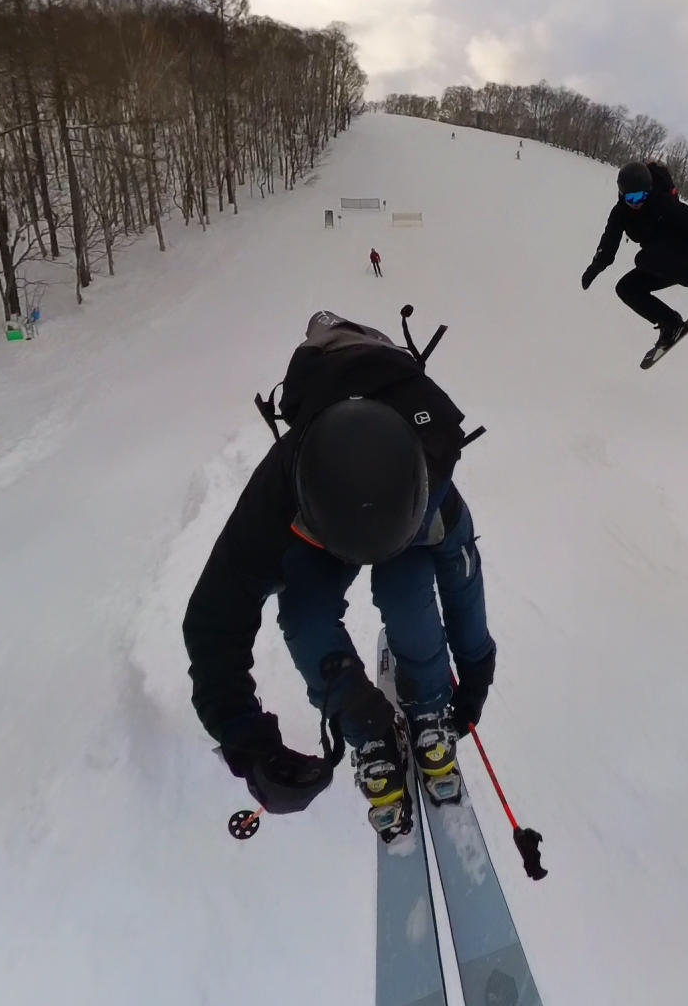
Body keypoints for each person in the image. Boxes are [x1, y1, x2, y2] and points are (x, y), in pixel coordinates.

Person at [183, 312, 497, 840]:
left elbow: (461, 578)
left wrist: (475, 669)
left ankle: (428, 705)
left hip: (396, 499)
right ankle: (368, 731)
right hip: (327, 513)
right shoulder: (275, 497)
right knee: (305, 616)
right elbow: (214, 622)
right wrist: (247, 742)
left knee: (406, 592)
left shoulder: (435, 463)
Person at [581, 160, 688, 363]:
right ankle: (669, 322)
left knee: (644, 258)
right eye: (632, 197)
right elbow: (609, 243)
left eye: (643, 195)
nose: (638, 202)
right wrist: (595, 267)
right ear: (622, 193)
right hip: (662, 263)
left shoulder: (663, 202)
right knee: (626, 288)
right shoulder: (620, 214)